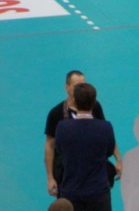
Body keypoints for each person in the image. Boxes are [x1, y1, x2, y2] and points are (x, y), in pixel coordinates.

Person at [45, 70, 116, 200]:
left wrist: (119, 160)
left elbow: (106, 135)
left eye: (83, 85)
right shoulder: (56, 113)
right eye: (77, 86)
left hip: (94, 180)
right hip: (68, 179)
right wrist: (50, 177)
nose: (81, 89)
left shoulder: (95, 107)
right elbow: (50, 146)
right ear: (66, 87)